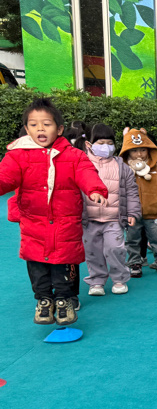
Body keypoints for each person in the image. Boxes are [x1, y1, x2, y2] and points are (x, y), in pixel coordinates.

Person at [0, 98, 107, 325]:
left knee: (64, 264)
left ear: (59, 129)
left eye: (46, 124)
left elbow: (86, 172)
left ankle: (64, 300)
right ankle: (43, 300)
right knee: (36, 265)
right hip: (34, 224)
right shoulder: (17, 155)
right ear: (27, 128)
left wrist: (95, 189)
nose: (40, 129)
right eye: (34, 124)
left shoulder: (73, 155)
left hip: (64, 223)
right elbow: (5, 177)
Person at [82, 123, 139, 296]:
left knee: (114, 248)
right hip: (89, 219)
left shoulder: (122, 167)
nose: (105, 147)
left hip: (113, 218)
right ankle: (97, 281)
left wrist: (132, 212)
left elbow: (131, 191)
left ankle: (119, 279)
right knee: (92, 252)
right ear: (89, 144)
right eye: (101, 143)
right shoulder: (82, 164)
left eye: (109, 143)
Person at [122, 127, 157, 277]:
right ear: (127, 151)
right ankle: (135, 263)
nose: (139, 154)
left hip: (152, 213)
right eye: (134, 150)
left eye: (143, 150)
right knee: (132, 240)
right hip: (132, 215)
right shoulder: (124, 169)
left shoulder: (156, 169)